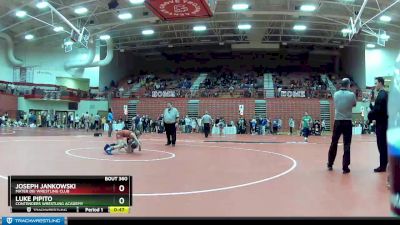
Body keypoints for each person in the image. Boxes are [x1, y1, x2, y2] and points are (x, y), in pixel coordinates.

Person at [327, 78, 356, 174]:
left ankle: (330, 163)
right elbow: (354, 105)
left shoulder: (335, 94)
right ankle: (345, 167)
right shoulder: (351, 95)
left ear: (341, 85)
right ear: (348, 85)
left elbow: (336, 104)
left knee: (334, 142)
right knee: (347, 144)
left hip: (338, 121)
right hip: (347, 122)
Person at [368, 77, 389, 173]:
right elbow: (378, 109)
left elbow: (377, 110)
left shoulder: (381, 95)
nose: (375, 85)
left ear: (380, 83)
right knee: (383, 145)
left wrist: (370, 115)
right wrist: (370, 104)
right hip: (383, 122)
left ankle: (383, 166)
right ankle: (385, 164)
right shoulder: (384, 94)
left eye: (376, 83)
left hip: (381, 124)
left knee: (381, 145)